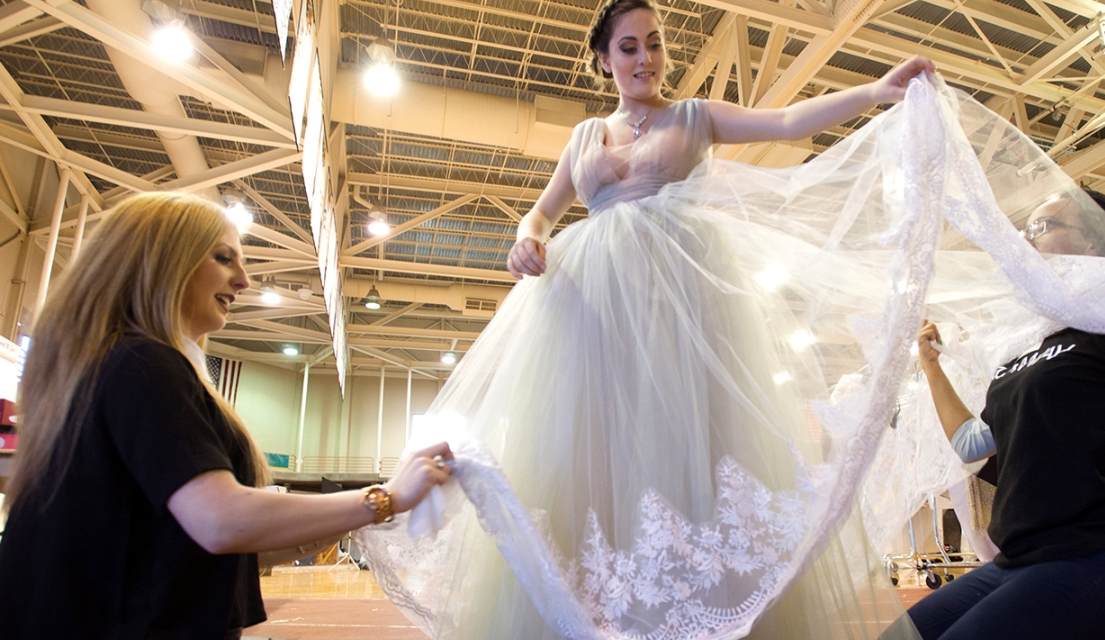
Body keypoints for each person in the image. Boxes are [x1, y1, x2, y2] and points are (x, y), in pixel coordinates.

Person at [358, 1, 937, 638]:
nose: (646, 59)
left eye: (655, 45)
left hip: (684, 306)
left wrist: (878, 90)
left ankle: (699, 605)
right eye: (629, 47)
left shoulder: (695, 117)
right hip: (593, 310)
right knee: (591, 453)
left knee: (693, 445)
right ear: (604, 60)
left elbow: (788, 119)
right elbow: (542, 213)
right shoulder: (584, 136)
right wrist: (525, 239)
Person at [0, 192, 453, 640]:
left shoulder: (119, 365)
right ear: (161, 261)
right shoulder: (143, 365)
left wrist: (360, 517)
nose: (243, 281)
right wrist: (384, 498)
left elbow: (231, 543)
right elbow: (222, 522)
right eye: (223, 259)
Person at [883, 191, 1105, 640]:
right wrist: (931, 366)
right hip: (1015, 562)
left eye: (1042, 227)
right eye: (1025, 229)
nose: (1024, 239)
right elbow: (971, 443)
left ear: (1095, 244)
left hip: (1100, 557)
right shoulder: (1023, 347)